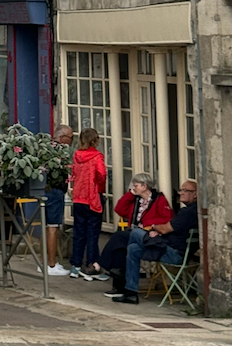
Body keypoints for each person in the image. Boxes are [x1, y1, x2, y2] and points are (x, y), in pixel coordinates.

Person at [109, 180, 195, 304]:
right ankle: (130, 293)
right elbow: (119, 209)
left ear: (195, 194)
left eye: (185, 191)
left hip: (173, 253)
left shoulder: (187, 212)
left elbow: (166, 228)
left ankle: (123, 269)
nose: (181, 193)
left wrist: (154, 227)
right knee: (133, 249)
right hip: (167, 247)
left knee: (135, 233)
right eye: (181, 190)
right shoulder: (190, 211)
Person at [98, 172, 172, 290]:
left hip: (148, 234)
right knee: (120, 248)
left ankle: (101, 264)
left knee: (118, 236)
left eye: (136, 185)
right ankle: (119, 288)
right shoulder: (136, 200)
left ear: (144, 186)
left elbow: (167, 218)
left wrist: (148, 224)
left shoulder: (159, 199)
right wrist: (130, 194)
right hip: (132, 232)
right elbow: (119, 209)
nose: (133, 188)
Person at [69, 128, 109, 280]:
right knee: (92, 233)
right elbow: (102, 174)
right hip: (92, 197)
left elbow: (74, 174)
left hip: (79, 197)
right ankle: (91, 265)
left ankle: (76, 265)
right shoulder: (97, 156)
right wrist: (100, 189)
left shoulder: (77, 155)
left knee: (79, 232)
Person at [45, 124, 74, 276]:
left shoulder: (46, 149)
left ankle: (47, 263)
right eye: (70, 137)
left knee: (49, 227)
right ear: (62, 138)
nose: (72, 141)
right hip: (55, 192)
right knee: (52, 227)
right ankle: (51, 264)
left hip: (48, 191)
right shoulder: (58, 152)